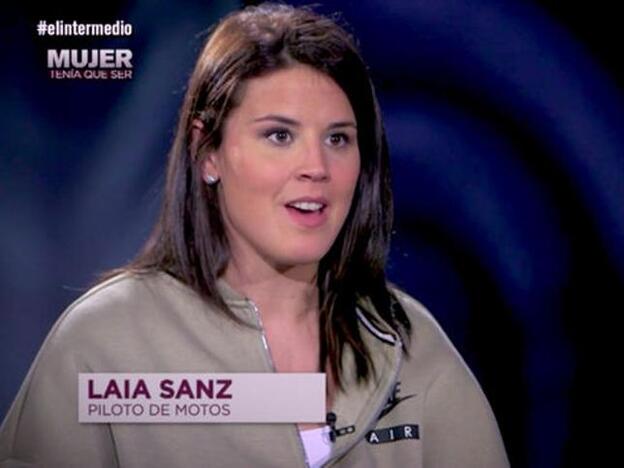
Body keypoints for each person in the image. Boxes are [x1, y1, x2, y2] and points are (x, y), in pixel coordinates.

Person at [0, 3, 509, 467]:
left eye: (338, 138)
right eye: (279, 135)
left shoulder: (408, 341)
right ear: (208, 152)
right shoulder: (104, 342)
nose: (316, 167)